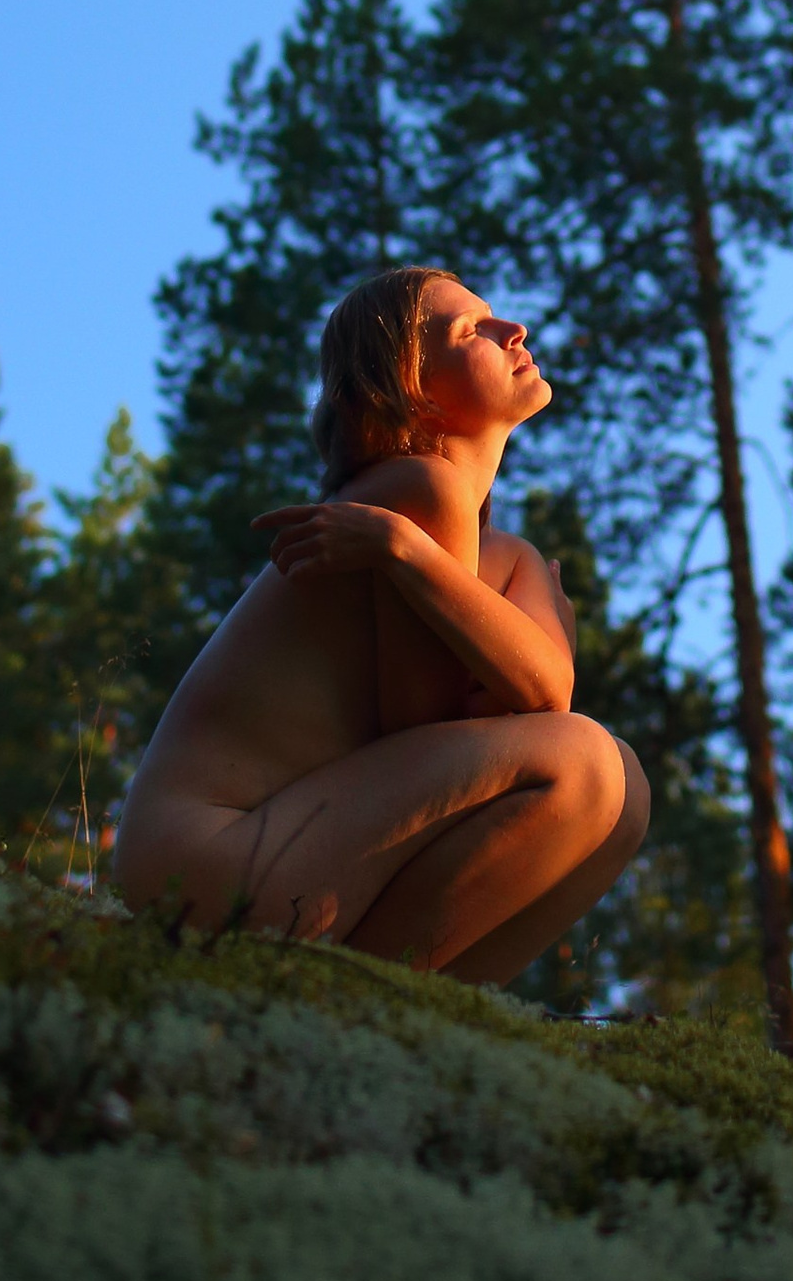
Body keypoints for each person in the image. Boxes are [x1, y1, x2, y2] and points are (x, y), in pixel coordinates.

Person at [116, 266, 650, 982]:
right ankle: (359, 998)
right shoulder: (415, 489)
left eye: (493, 317)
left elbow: (535, 696)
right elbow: (438, 726)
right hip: (211, 861)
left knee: (625, 795)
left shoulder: (498, 552)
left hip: (285, 856)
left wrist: (422, 563)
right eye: (471, 331)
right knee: (585, 763)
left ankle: (415, 1009)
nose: (511, 330)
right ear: (413, 395)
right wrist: (407, 551)